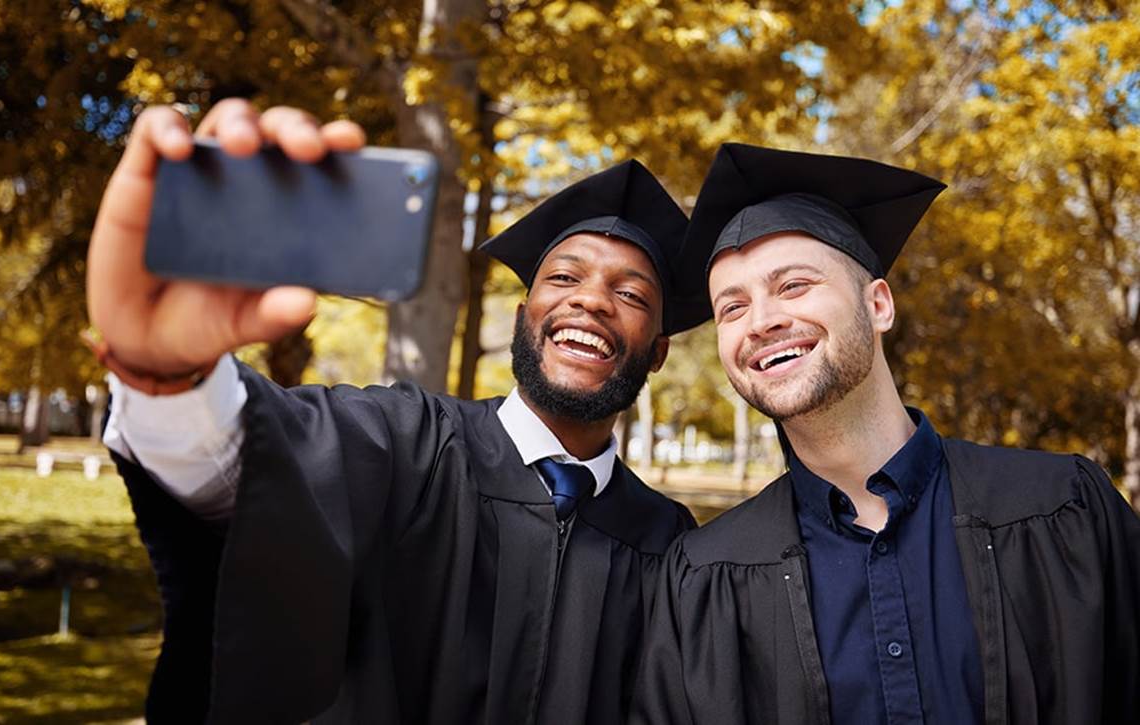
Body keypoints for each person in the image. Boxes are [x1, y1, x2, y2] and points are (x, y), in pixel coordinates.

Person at [87, 99, 699, 724]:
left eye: (629, 294)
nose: (592, 300)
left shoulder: (670, 543)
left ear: (657, 351)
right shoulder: (406, 443)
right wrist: (167, 374)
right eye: (564, 278)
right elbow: (252, 468)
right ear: (523, 318)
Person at [631, 143, 1140, 725]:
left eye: (794, 285)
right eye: (732, 307)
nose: (762, 320)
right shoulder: (703, 577)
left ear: (878, 305)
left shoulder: (1062, 509)